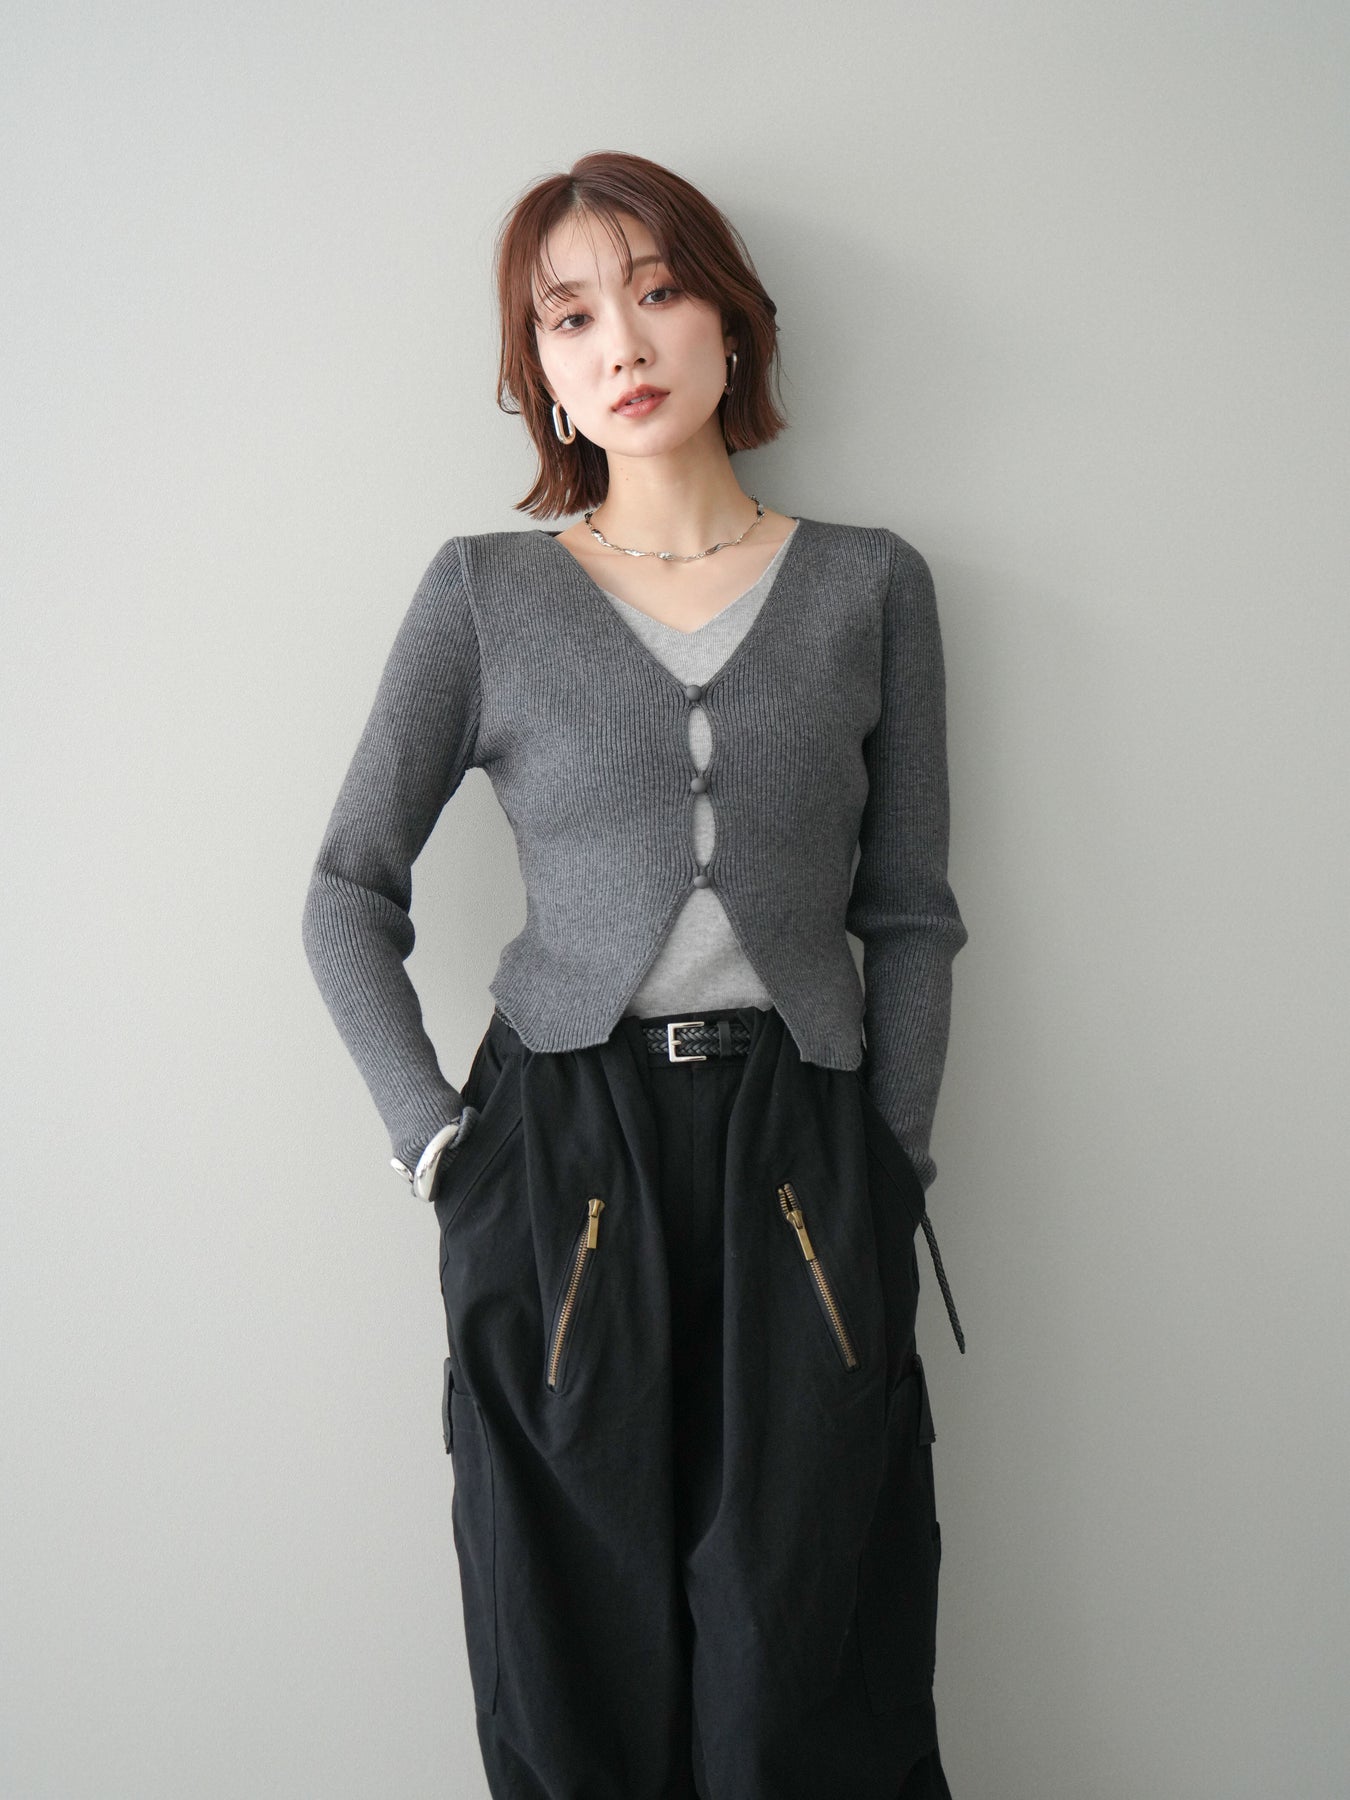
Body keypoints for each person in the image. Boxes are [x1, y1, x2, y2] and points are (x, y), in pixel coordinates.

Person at [301, 149, 969, 1800]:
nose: (624, 342)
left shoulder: (871, 586)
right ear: (538, 369)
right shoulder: (486, 595)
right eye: (571, 315)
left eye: (658, 291)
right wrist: (438, 1148)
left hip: (802, 1154)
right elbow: (344, 894)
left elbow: (905, 910)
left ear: (730, 320)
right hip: (558, 1156)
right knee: (569, 1655)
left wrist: (888, 1154)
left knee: (803, 1657)